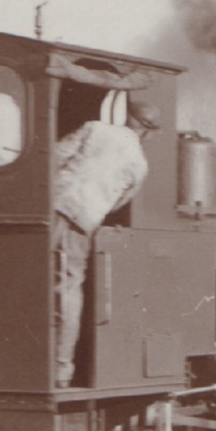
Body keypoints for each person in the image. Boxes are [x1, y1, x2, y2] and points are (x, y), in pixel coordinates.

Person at [52, 97, 159, 388]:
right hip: (83, 222)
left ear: (126, 116)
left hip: (52, 208)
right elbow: (118, 203)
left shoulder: (95, 130)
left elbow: (54, 156)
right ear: (148, 131)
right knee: (68, 288)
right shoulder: (140, 164)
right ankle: (60, 369)